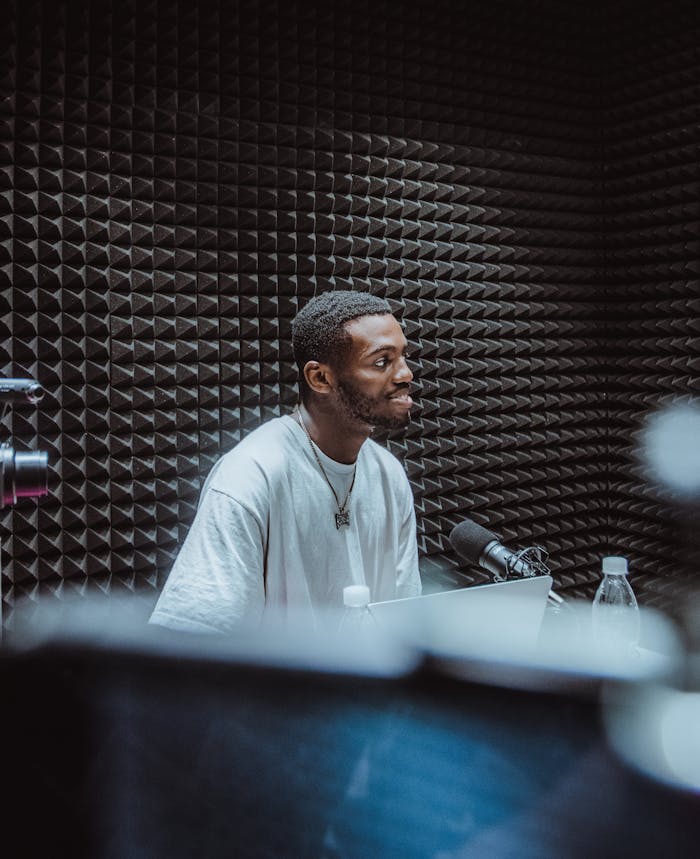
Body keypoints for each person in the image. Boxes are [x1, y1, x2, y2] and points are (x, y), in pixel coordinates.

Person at [149, 290, 422, 633]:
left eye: (403, 357)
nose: (405, 374)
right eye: (382, 362)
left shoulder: (389, 475)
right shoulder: (251, 475)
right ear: (320, 378)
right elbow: (192, 636)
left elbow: (404, 623)